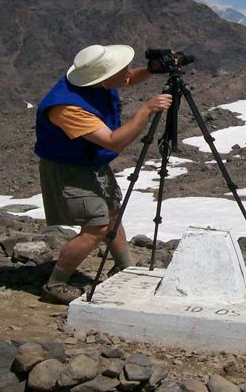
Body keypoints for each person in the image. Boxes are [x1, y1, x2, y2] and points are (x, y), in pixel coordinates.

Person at [34, 44, 172, 304]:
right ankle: (55, 284)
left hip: (89, 162)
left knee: (112, 212)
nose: (128, 74)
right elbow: (113, 141)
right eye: (121, 71)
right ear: (102, 78)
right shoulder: (68, 108)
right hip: (69, 169)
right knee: (96, 226)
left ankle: (125, 266)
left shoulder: (92, 82)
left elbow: (126, 77)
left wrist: (151, 70)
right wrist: (147, 109)